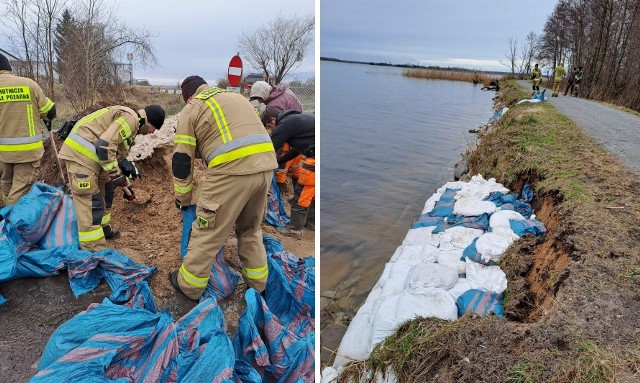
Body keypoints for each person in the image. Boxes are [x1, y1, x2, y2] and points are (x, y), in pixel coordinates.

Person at [169, 75, 278, 301]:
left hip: (232, 169)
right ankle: (259, 286)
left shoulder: (193, 107)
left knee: (207, 231)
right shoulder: (234, 97)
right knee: (250, 229)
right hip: (266, 166)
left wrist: (183, 198)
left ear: (187, 95)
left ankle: (189, 286)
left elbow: (181, 160)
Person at [58, 104, 165, 251]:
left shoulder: (132, 122)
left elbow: (113, 152)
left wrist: (125, 182)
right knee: (92, 202)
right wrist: (116, 175)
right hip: (81, 157)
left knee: (108, 188)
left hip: (94, 160)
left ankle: (103, 229)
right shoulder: (131, 119)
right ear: (149, 123)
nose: (151, 133)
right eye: (154, 129)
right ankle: (93, 251)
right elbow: (104, 146)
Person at [0, 52, 56, 206]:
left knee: (6, 182)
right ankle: (9, 217)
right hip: (27, 152)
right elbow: (49, 112)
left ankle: (5, 210)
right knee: (21, 187)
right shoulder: (28, 84)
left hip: (2, 152)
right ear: (8, 68)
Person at [260, 106, 315, 240]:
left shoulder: (285, 123)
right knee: (312, 192)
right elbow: (296, 150)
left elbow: (269, 146)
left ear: (273, 120)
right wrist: (279, 161)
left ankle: (295, 229)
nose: (271, 129)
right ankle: (312, 223)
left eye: (269, 126)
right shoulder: (296, 119)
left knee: (302, 193)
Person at [250, 80, 304, 197]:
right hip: (299, 134)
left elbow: (277, 133)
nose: (260, 101)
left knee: (280, 167)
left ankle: (279, 194)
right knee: (295, 166)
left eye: (259, 98)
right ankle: (297, 195)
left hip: (289, 137)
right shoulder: (284, 92)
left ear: (262, 94)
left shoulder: (274, 105)